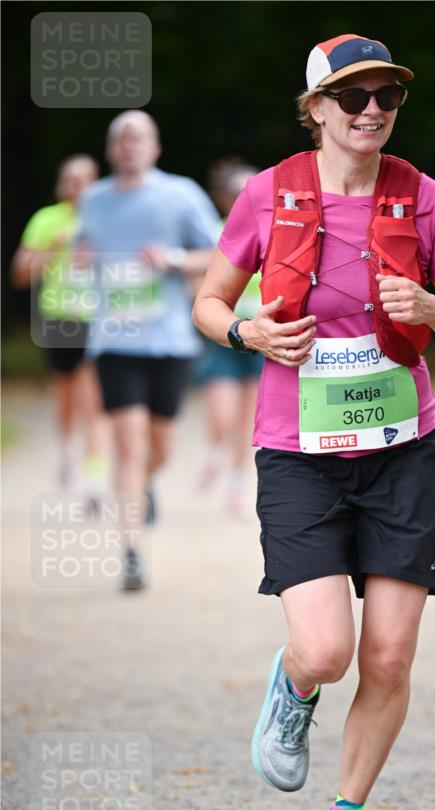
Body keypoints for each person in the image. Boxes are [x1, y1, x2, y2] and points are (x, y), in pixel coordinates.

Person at [193, 34, 435, 810]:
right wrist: (247, 331)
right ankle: (294, 688)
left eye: (386, 96)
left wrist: (430, 309)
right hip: (299, 456)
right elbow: (209, 302)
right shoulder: (267, 194)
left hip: (403, 455)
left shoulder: (424, 198)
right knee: (326, 650)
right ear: (316, 109)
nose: (371, 110)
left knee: (389, 655)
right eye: (352, 96)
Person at [77, 111, 220, 590]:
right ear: (110, 149)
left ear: (155, 147)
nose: (129, 145)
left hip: (169, 340)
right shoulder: (93, 200)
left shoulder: (181, 194)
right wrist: (80, 257)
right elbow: (82, 249)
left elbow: (222, 254)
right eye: (121, 138)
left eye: (138, 137)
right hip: (114, 340)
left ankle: (143, 483)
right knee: (129, 444)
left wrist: (173, 259)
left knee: (161, 448)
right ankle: (132, 552)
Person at [11, 155, 109, 501]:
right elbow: (20, 274)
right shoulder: (46, 219)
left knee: (93, 398)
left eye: (84, 179)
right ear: (61, 184)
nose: (77, 186)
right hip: (60, 318)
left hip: (97, 319)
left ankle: (95, 473)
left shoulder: (106, 216)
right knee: (66, 395)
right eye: (71, 179)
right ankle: (67, 450)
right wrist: (56, 246)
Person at [194, 159, 264, 515]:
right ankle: (218, 449)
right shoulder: (215, 233)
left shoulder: (276, 228)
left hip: (262, 335)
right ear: (224, 197)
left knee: (249, 417)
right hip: (225, 335)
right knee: (223, 413)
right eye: (237, 192)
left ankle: (237, 483)